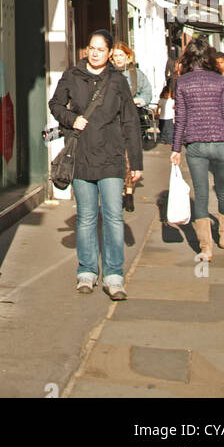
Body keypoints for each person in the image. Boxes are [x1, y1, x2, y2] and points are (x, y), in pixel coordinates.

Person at [49, 29, 143, 300]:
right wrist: (71, 119)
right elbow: (55, 104)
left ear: (110, 52)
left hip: (111, 157)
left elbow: (130, 121)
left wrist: (135, 161)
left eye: (101, 49)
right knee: (87, 217)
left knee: (113, 216)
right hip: (82, 157)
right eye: (91, 48)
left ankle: (114, 275)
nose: (95, 53)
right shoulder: (72, 75)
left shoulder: (117, 80)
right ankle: (87, 271)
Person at [171, 37, 224, 260]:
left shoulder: (182, 82)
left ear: (188, 57)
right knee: (223, 191)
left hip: (195, 145)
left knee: (201, 194)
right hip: (222, 143)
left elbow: (180, 119)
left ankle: (206, 247)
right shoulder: (219, 80)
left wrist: (175, 149)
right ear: (209, 57)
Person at [111, 41, 151, 212]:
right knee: (117, 157)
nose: (118, 59)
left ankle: (128, 191)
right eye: (115, 56)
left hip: (131, 121)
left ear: (128, 56)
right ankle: (121, 192)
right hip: (113, 122)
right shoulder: (108, 74)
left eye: (121, 55)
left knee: (130, 157)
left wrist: (138, 101)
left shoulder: (136, 74)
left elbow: (147, 93)